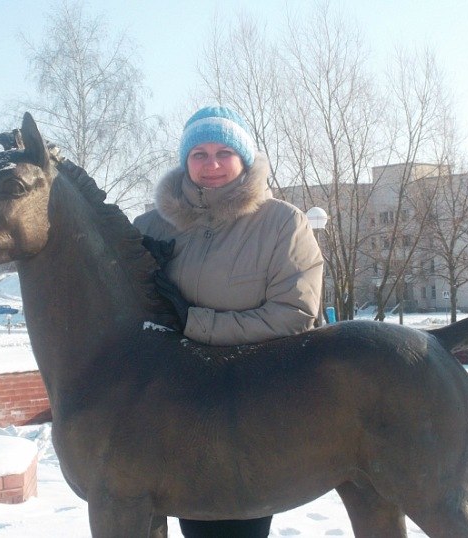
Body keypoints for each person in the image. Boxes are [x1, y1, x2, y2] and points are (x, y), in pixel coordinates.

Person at [134, 106, 324, 537]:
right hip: (168, 409)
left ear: (244, 159)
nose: (212, 164)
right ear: (185, 161)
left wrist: (192, 322)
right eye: (199, 153)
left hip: (248, 408)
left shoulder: (281, 223)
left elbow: (294, 316)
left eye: (224, 152)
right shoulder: (149, 227)